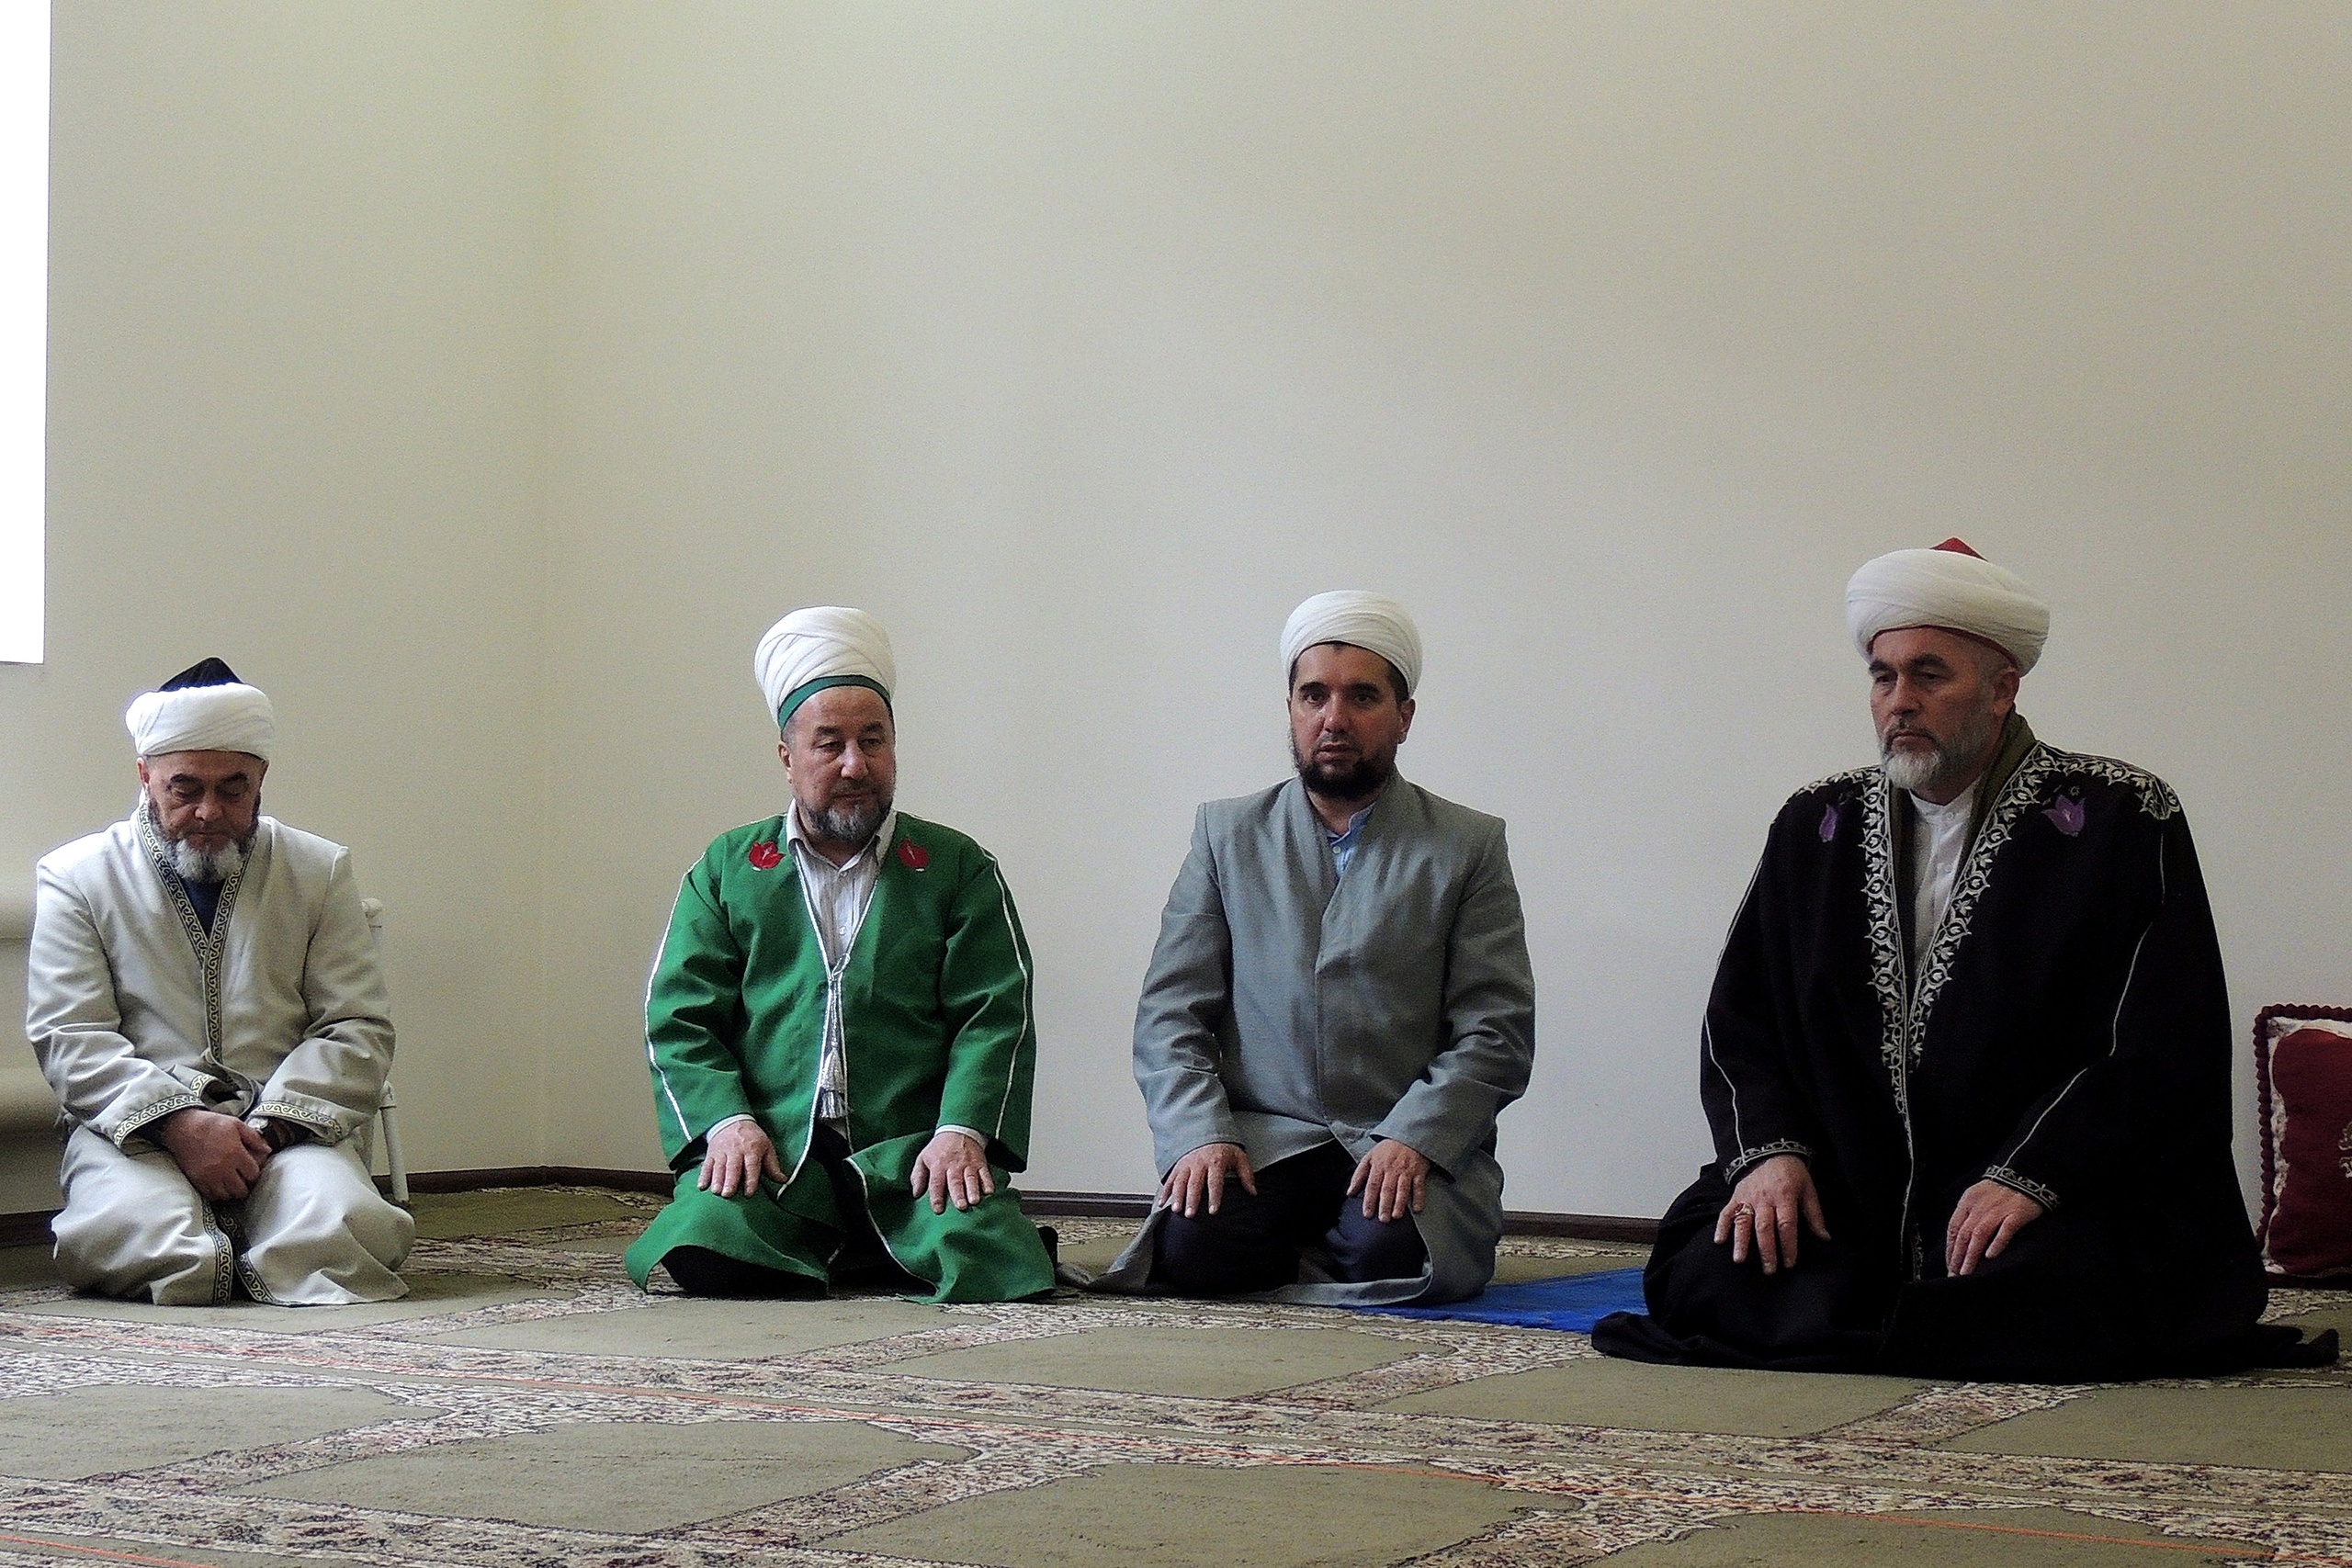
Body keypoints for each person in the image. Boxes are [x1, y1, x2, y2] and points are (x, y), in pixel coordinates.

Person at [1595, 541, 2335, 1380]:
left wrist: (2031, 1176)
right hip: (1852, 1183)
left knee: (2067, 1283)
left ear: (2002, 688)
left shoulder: (2121, 815)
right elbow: (1741, 1016)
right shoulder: (1814, 823)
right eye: (1883, 677)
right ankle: (1899, 1308)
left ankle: (1898, 1310)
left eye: (1929, 675)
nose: (1899, 701)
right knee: (1712, 1258)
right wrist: (1770, 1154)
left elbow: (2161, 1037)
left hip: (2058, 1180)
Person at [1094, 592, 1535, 1305]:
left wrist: (1417, 1138)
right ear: (1292, 708)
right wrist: (1199, 1134)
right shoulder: (1226, 836)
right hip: (1266, 1143)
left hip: (1395, 1142)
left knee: (1388, 1253)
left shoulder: (1466, 846)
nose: (1334, 718)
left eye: (1362, 696)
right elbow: (1170, 1015)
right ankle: (1301, 1239)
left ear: (1404, 716)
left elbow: (1496, 1030)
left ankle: (1323, 1240)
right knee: (1194, 1248)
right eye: (1314, 695)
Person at [624, 607, 1055, 1304]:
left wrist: (961, 1131)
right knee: (705, 1247)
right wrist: (727, 1123)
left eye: (872, 741)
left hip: (911, 1155)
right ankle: (860, 1251)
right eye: (830, 744)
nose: (856, 764)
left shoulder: (957, 867)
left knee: (989, 1257)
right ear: (787, 757)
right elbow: (677, 1018)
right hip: (774, 1152)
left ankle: (872, 1242)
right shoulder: (728, 869)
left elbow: (996, 1014)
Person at [27, 659, 413, 1305]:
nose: (209, 811)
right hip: (140, 1135)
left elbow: (356, 1027)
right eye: (185, 788)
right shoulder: (78, 876)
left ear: (261, 781)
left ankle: (258, 1231)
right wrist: (183, 1125)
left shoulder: (317, 870)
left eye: (233, 790)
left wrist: (266, 1133)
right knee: (139, 1235)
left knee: (345, 1228)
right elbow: (71, 1034)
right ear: (145, 776)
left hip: (282, 1134)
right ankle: (226, 1244)